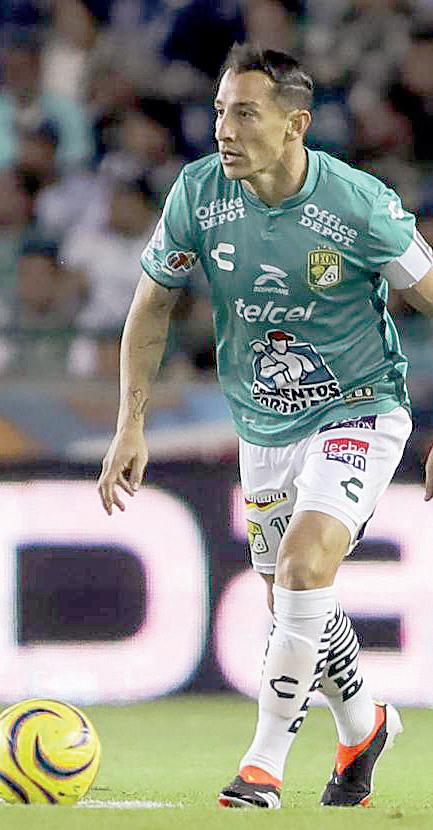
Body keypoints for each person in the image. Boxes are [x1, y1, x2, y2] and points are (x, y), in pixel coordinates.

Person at [98, 42, 433, 809]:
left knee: (304, 569)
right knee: (292, 599)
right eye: (220, 111)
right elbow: (151, 306)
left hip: (359, 407)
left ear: (294, 125)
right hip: (262, 424)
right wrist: (129, 424)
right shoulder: (198, 193)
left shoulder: (357, 205)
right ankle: (363, 726)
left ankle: (262, 765)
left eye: (245, 113)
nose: (224, 128)